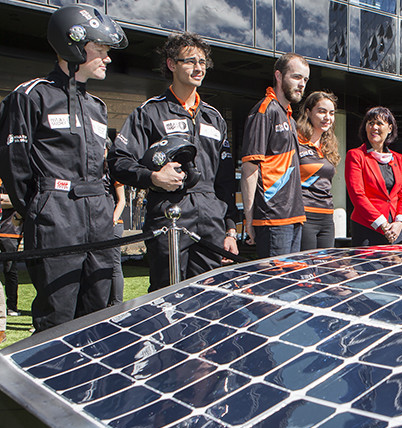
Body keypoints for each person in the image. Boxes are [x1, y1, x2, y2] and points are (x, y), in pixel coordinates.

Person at [0, 5, 127, 331]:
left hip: (98, 214)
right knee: (57, 318)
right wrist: (40, 210)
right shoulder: (31, 95)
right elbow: (15, 166)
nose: (107, 58)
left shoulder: (97, 107)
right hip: (56, 215)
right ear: (74, 44)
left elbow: (103, 165)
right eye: (100, 49)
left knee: (99, 313)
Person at [109, 32, 238, 291]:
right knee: (167, 293)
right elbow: (118, 161)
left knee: (210, 295)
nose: (198, 67)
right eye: (190, 61)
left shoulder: (215, 117)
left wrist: (230, 229)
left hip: (211, 216)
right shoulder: (149, 112)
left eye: (202, 62)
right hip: (168, 213)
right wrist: (153, 177)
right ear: (171, 64)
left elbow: (224, 180)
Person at [241, 53, 310, 258]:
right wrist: (249, 220)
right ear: (279, 76)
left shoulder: (288, 116)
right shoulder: (265, 110)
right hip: (272, 218)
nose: (302, 84)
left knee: (289, 284)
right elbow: (249, 168)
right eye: (296, 77)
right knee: (274, 284)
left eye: (305, 80)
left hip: (294, 216)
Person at [345, 107, 402, 246]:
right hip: (367, 228)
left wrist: (399, 223)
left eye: (379, 123)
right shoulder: (356, 155)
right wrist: (382, 223)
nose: (374, 127)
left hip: (394, 230)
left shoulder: (398, 159)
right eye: (370, 123)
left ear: (390, 128)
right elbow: (357, 195)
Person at [296, 91, 340, 250]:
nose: (327, 117)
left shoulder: (329, 145)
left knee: (325, 268)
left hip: (327, 215)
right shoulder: (296, 140)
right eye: (322, 111)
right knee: (306, 269)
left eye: (331, 113)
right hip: (304, 214)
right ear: (308, 112)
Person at [0, 182, 21, 316]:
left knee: (10, 269)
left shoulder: (10, 177)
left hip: (9, 230)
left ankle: (12, 305)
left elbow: (18, 201)